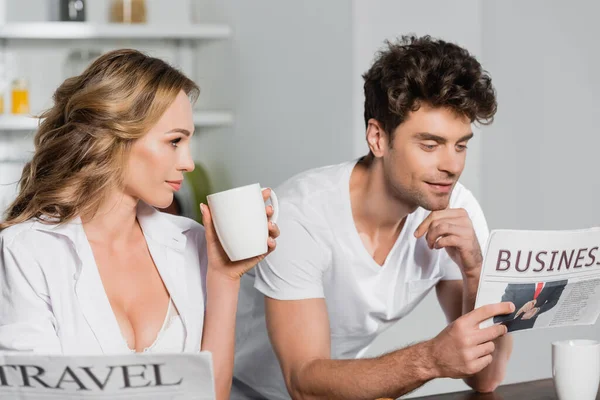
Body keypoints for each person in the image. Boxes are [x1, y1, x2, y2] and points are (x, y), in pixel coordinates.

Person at [231, 35, 514, 400]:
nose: (452, 166)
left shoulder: (456, 209)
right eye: (430, 145)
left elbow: (486, 379)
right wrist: (429, 359)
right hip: (240, 391)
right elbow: (303, 383)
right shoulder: (301, 215)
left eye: (460, 145)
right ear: (378, 138)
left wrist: (476, 270)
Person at [0, 49, 279, 400]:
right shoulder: (28, 250)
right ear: (117, 136)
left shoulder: (191, 242)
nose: (188, 163)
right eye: (174, 141)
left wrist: (225, 277)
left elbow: (214, 394)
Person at [494, 280, 568, 332]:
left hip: (529, 328)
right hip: (507, 329)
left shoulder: (561, 280)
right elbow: (500, 314)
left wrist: (538, 310)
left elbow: (553, 301)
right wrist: (519, 311)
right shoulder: (518, 278)